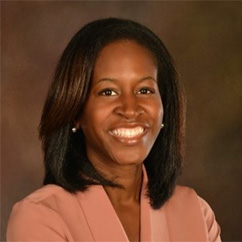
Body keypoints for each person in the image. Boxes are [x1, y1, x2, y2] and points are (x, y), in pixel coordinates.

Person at [7, 18, 221, 242]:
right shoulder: (40, 217)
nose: (130, 110)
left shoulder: (195, 212)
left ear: (165, 106)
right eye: (108, 92)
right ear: (75, 112)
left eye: (145, 90)